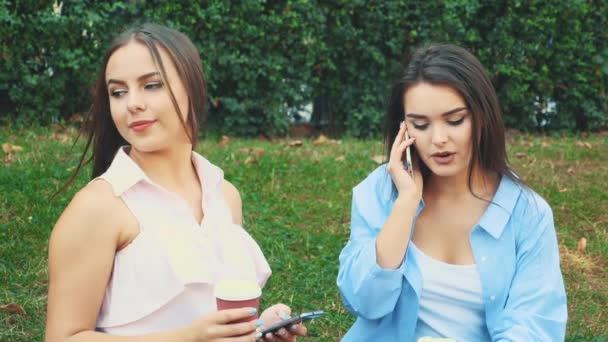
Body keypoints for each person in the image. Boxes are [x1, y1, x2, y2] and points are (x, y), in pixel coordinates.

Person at [45, 23, 307, 342]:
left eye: (151, 85)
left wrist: (257, 329)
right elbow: (64, 337)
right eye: (118, 92)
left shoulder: (224, 196)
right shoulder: (98, 207)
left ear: (192, 87)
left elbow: (209, 319)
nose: (132, 104)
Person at [337, 43, 567, 341]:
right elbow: (364, 303)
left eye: (455, 120)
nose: (438, 139)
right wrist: (405, 204)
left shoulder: (528, 214)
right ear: (403, 130)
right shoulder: (380, 193)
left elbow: (535, 328)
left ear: (482, 116)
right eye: (420, 125)